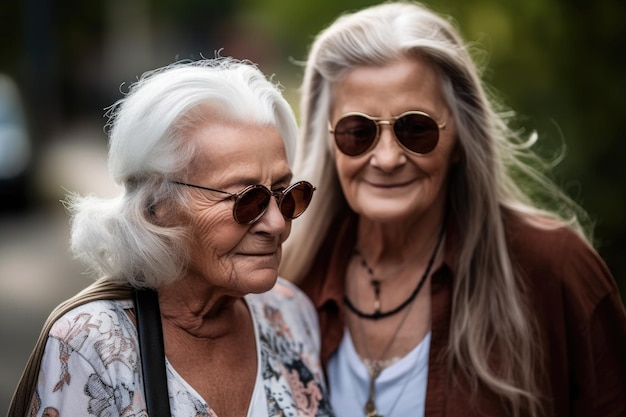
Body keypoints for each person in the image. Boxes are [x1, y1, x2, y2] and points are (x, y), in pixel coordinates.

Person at [279, 2, 626, 417]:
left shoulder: (552, 269)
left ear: (461, 138)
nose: (387, 158)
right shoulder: (289, 278)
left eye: (416, 129)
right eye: (358, 132)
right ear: (330, 143)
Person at [8, 57, 334, 417]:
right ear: (156, 204)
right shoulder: (91, 345)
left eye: (286, 193)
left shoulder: (290, 313)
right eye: (246, 199)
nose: (276, 224)